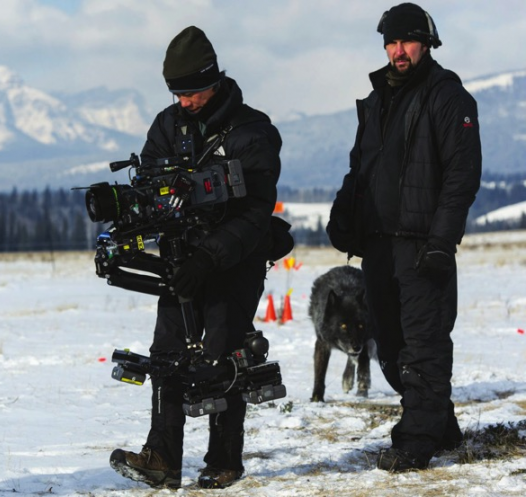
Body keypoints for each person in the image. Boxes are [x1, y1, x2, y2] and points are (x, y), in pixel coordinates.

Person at [109, 26, 287, 489]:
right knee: (167, 353)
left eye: (191, 92)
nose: (184, 102)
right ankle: (161, 458)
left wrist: (209, 257)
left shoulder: (253, 132)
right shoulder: (166, 127)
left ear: (214, 79)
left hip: (235, 259)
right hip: (178, 260)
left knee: (221, 353)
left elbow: (254, 215)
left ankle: (224, 459)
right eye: (176, 93)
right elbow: (148, 190)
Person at [327, 3, 481, 472]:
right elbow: (362, 170)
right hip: (378, 245)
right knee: (390, 348)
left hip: (421, 244)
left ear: (427, 43)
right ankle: (440, 424)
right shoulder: (376, 102)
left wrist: (441, 240)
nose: (398, 51)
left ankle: (415, 439)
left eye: (406, 42)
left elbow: (461, 175)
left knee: (423, 344)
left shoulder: (447, 96)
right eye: (391, 43)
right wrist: (344, 215)